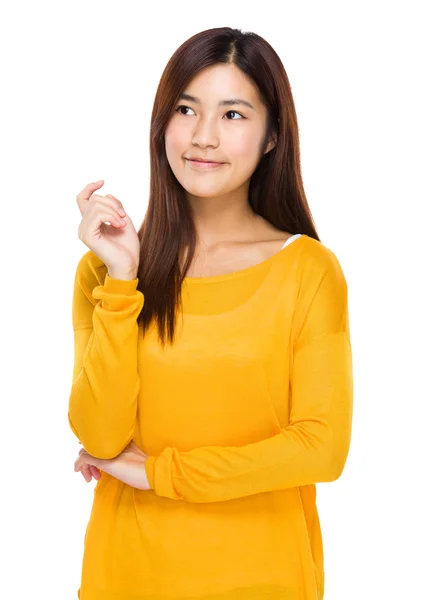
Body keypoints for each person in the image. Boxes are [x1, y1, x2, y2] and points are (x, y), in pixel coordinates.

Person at [69, 26, 353, 600]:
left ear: (273, 135)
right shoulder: (105, 271)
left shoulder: (308, 272)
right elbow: (99, 435)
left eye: (233, 115)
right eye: (186, 108)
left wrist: (160, 474)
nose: (202, 136)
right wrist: (125, 277)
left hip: (263, 580)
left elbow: (321, 448)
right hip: (125, 577)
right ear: (162, 123)